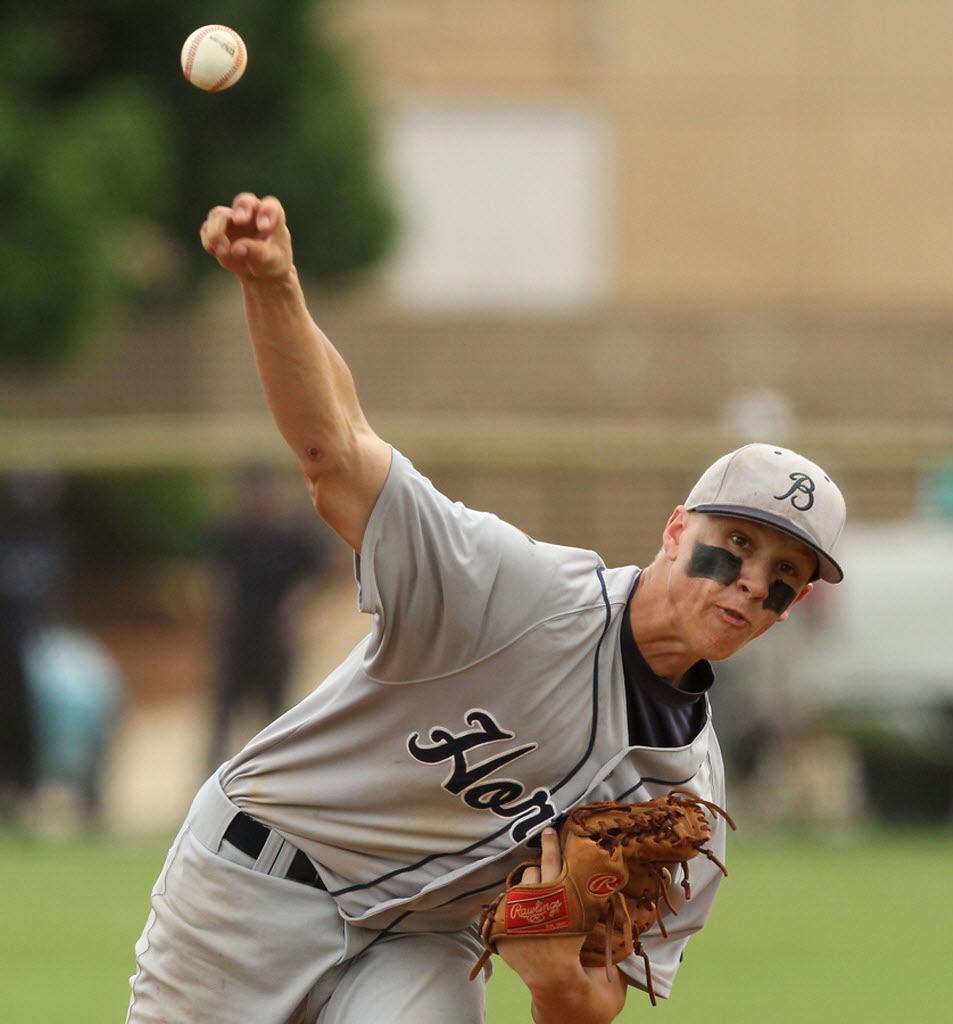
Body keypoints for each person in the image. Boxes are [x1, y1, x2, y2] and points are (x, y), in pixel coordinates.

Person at [125, 193, 847, 1024]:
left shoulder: (687, 797)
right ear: (676, 529)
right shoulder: (516, 591)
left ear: (789, 608)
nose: (753, 580)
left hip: (426, 940)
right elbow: (339, 455)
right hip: (259, 877)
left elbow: (598, 1002)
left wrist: (554, 976)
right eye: (738, 544)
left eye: (786, 573)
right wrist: (275, 284)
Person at [205, 464, 329, 772]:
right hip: (239, 636)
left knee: (275, 718)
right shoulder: (232, 534)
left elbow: (322, 578)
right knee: (223, 718)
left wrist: (299, 610)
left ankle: (271, 779)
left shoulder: (295, 537)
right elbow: (215, 580)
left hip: (277, 640)